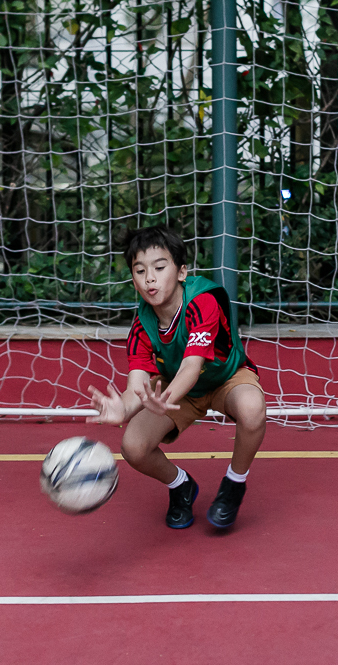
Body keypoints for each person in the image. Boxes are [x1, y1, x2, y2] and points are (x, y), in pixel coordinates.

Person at [88, 225, 266, 530]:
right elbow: (137, 386)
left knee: (252, 408)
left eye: (159, 267)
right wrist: (123, 410)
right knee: (133, 447)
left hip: (225, 378)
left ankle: (234, 484)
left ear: (181, 272)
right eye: (139, 270)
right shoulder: (141, 328)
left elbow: (191, 367)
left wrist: (164, 400)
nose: (150, 278)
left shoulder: (202, 302)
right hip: (176, 390)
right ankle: (181, 485)